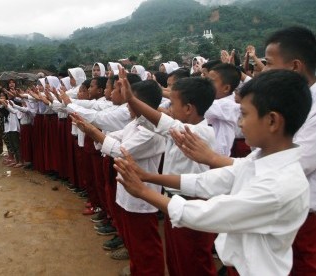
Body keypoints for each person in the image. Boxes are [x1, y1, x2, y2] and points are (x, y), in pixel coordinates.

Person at [114, 70, 312, 275]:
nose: (240, 123)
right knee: (181, 264)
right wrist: (147, 177)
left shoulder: (280, 186)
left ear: (272, 121)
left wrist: (144, 191)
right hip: (233, 261)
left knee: (193, 264)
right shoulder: (258, 159)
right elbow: (205, 180)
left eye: (244, 114)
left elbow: (208, 214)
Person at [71, 79, 166, 276]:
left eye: (131, 101)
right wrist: (97, 133)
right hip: (128, 190)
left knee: (145, 244)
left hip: (142, 197)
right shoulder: (136, 123)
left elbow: (121, 150)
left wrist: (94, 132)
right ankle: (137, 269)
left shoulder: (152, 131)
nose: (127, 106)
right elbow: (116, 136)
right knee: (134, 242)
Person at [129, 75, 218, 276]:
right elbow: (156, 124)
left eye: (173, 104)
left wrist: (133, 100)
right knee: (178, 259)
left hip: (193, 204)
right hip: (176, 201)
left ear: (188, 109)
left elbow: (165, 124)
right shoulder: (181, 127)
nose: (169, 108)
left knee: (194, 262)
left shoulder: (200, 132)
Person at [204, 63, 241, 156]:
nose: (206, 85)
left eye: (211, 82)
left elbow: (198, 107)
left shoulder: (226, 105)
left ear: (226, 88)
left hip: (217, 157)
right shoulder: (217, 101)